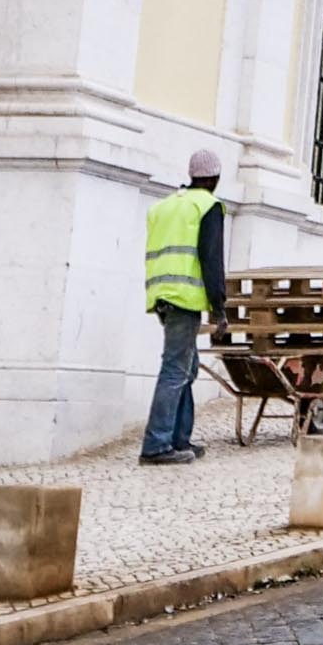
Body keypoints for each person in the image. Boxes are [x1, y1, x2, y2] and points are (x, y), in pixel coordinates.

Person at [140, 147, 229, 464]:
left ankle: (180, 439)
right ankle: (156, 445)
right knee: (175, 370)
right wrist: (219, 309)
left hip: (162, 295)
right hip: (185, 298)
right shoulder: (208, 206)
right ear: (215, 178)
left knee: (186, 368)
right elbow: (211, 259)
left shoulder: (165, 206)